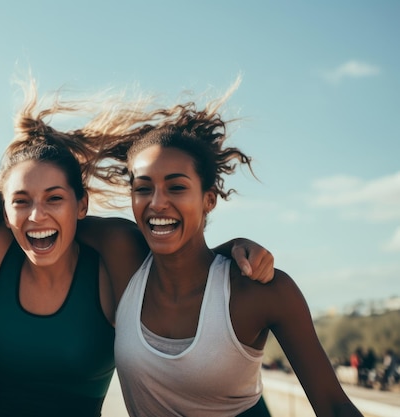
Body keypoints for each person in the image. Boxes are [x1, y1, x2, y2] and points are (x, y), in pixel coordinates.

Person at [0, 82, 276, 417]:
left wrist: (234, 248)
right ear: (7, 212)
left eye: (54, 198)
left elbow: (185, 266)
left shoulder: (115, 250)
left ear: (81, 204)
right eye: (21, 201)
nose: (37, 214)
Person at [89, 80, 364, 416]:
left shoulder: (261, 290)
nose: (157, 203)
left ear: (208, 200)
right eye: (143, 189)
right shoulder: (121, 252)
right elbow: (44, 220)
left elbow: (335, 407)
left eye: (176, 187)